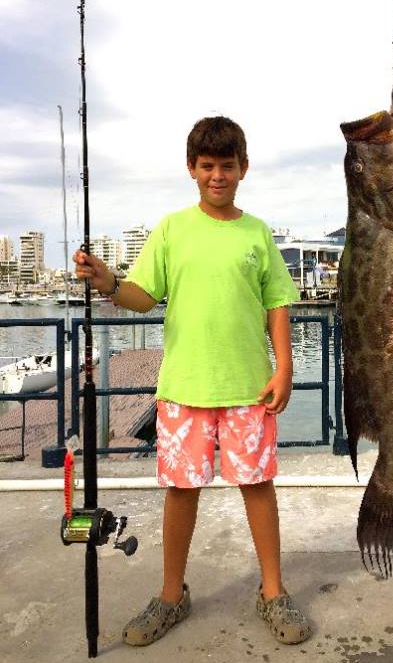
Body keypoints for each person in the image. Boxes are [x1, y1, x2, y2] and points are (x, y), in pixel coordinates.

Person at [73, 116, 312, 647]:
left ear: (243, 168)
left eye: (227, 166)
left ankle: (273, 591)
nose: (217, 176)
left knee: (258, 486)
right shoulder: (171, 229)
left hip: (249, 388)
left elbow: (277, 303)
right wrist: (108, 281)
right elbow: (142, 296)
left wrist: (284, 367)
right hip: (183, 388)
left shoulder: (258, 233)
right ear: (191, 169)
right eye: (207, 166)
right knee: (181, 492)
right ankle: (170, 594)